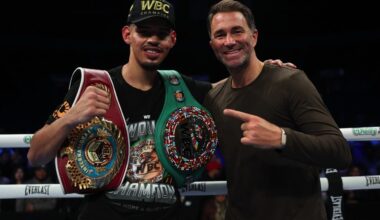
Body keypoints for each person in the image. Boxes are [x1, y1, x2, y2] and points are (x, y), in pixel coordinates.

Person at [27, 0, 293, 219]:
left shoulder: (182, 88)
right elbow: (36, 155)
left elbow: (228, 87)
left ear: (172, 39)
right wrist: (72, 118)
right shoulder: (96, 86)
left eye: (162, 34)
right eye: (145, 32)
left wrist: (262, 71)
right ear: (127, 34)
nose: (153, 40)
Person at [203, 1, 352, 220]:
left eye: (237, 31)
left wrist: (282, 138)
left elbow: (340, 152)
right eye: (220, 35)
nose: (229, 41)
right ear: (213, 44)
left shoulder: (290, 82)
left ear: (254, 37)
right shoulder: (213, 98)